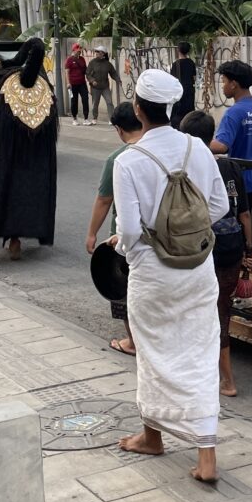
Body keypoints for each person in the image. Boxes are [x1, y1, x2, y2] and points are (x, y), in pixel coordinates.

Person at [111, 69, 228, 482]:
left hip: (152, 272)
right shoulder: (198, 148)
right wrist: (185, 234)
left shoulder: (129, 161)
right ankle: (206, 456)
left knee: (153, 353)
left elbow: (126, 231)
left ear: (139, 110)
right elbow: (219, 208)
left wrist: (134, 247)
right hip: (198, 269)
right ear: (172, 108)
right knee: (199, 352)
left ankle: (153, 437)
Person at [181, 109, 252, 399]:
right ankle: (227, 379)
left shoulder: (187, 168)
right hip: (232, 245)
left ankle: (210, 375)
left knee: (199, 310)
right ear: (212, 136)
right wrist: (249, 248)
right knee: (222, 308)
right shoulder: (230, 166)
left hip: (202, 248)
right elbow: (245, 213)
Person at [85, 102, 143, 355]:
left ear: (119, 129)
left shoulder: (118, 159)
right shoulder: (161, 150)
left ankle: (133, 341)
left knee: (123, 289)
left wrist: (91, 234)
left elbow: (104, 199)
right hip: (159, 233)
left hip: (124, 236)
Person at [211, 60, 252, 209]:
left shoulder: (234, 112)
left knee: (246, 223)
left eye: (224, 81)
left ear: (233, 84)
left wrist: (195, 143)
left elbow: (221, 146)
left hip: (247, 181)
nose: (223, 86)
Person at [86, 47, 118, 124]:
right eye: (96, 51)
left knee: (109, 102)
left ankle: (111, 119)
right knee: (95, 104)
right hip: (95, 88)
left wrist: (118, 79)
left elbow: (113, 73)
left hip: (105, 87)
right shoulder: (92, 63)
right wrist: (92, 81)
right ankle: (94, 118)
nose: (96, 53)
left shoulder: (107, 64)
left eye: (98, 51)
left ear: (103, 53)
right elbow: (88, 74)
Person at [169, 42, 197, 129]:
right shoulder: (191, 63)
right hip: (189, 91)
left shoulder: (175, 64)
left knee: (178, 113)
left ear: (178, 50)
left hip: (179, 91)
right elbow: (194, 77)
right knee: (189, 112)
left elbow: (172, 80)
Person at [65, 44, 90, 126]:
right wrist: (68, 83)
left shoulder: (82, 59)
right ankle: (74, 119)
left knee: (85, 99)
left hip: (82, 83)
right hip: (73, 84)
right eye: (78, 49)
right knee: (74, 101)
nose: (79, 51)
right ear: (74, 50)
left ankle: (86, 119)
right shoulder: (69, 60)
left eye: (80, 50)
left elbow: (85, 70)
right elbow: (67, 72)